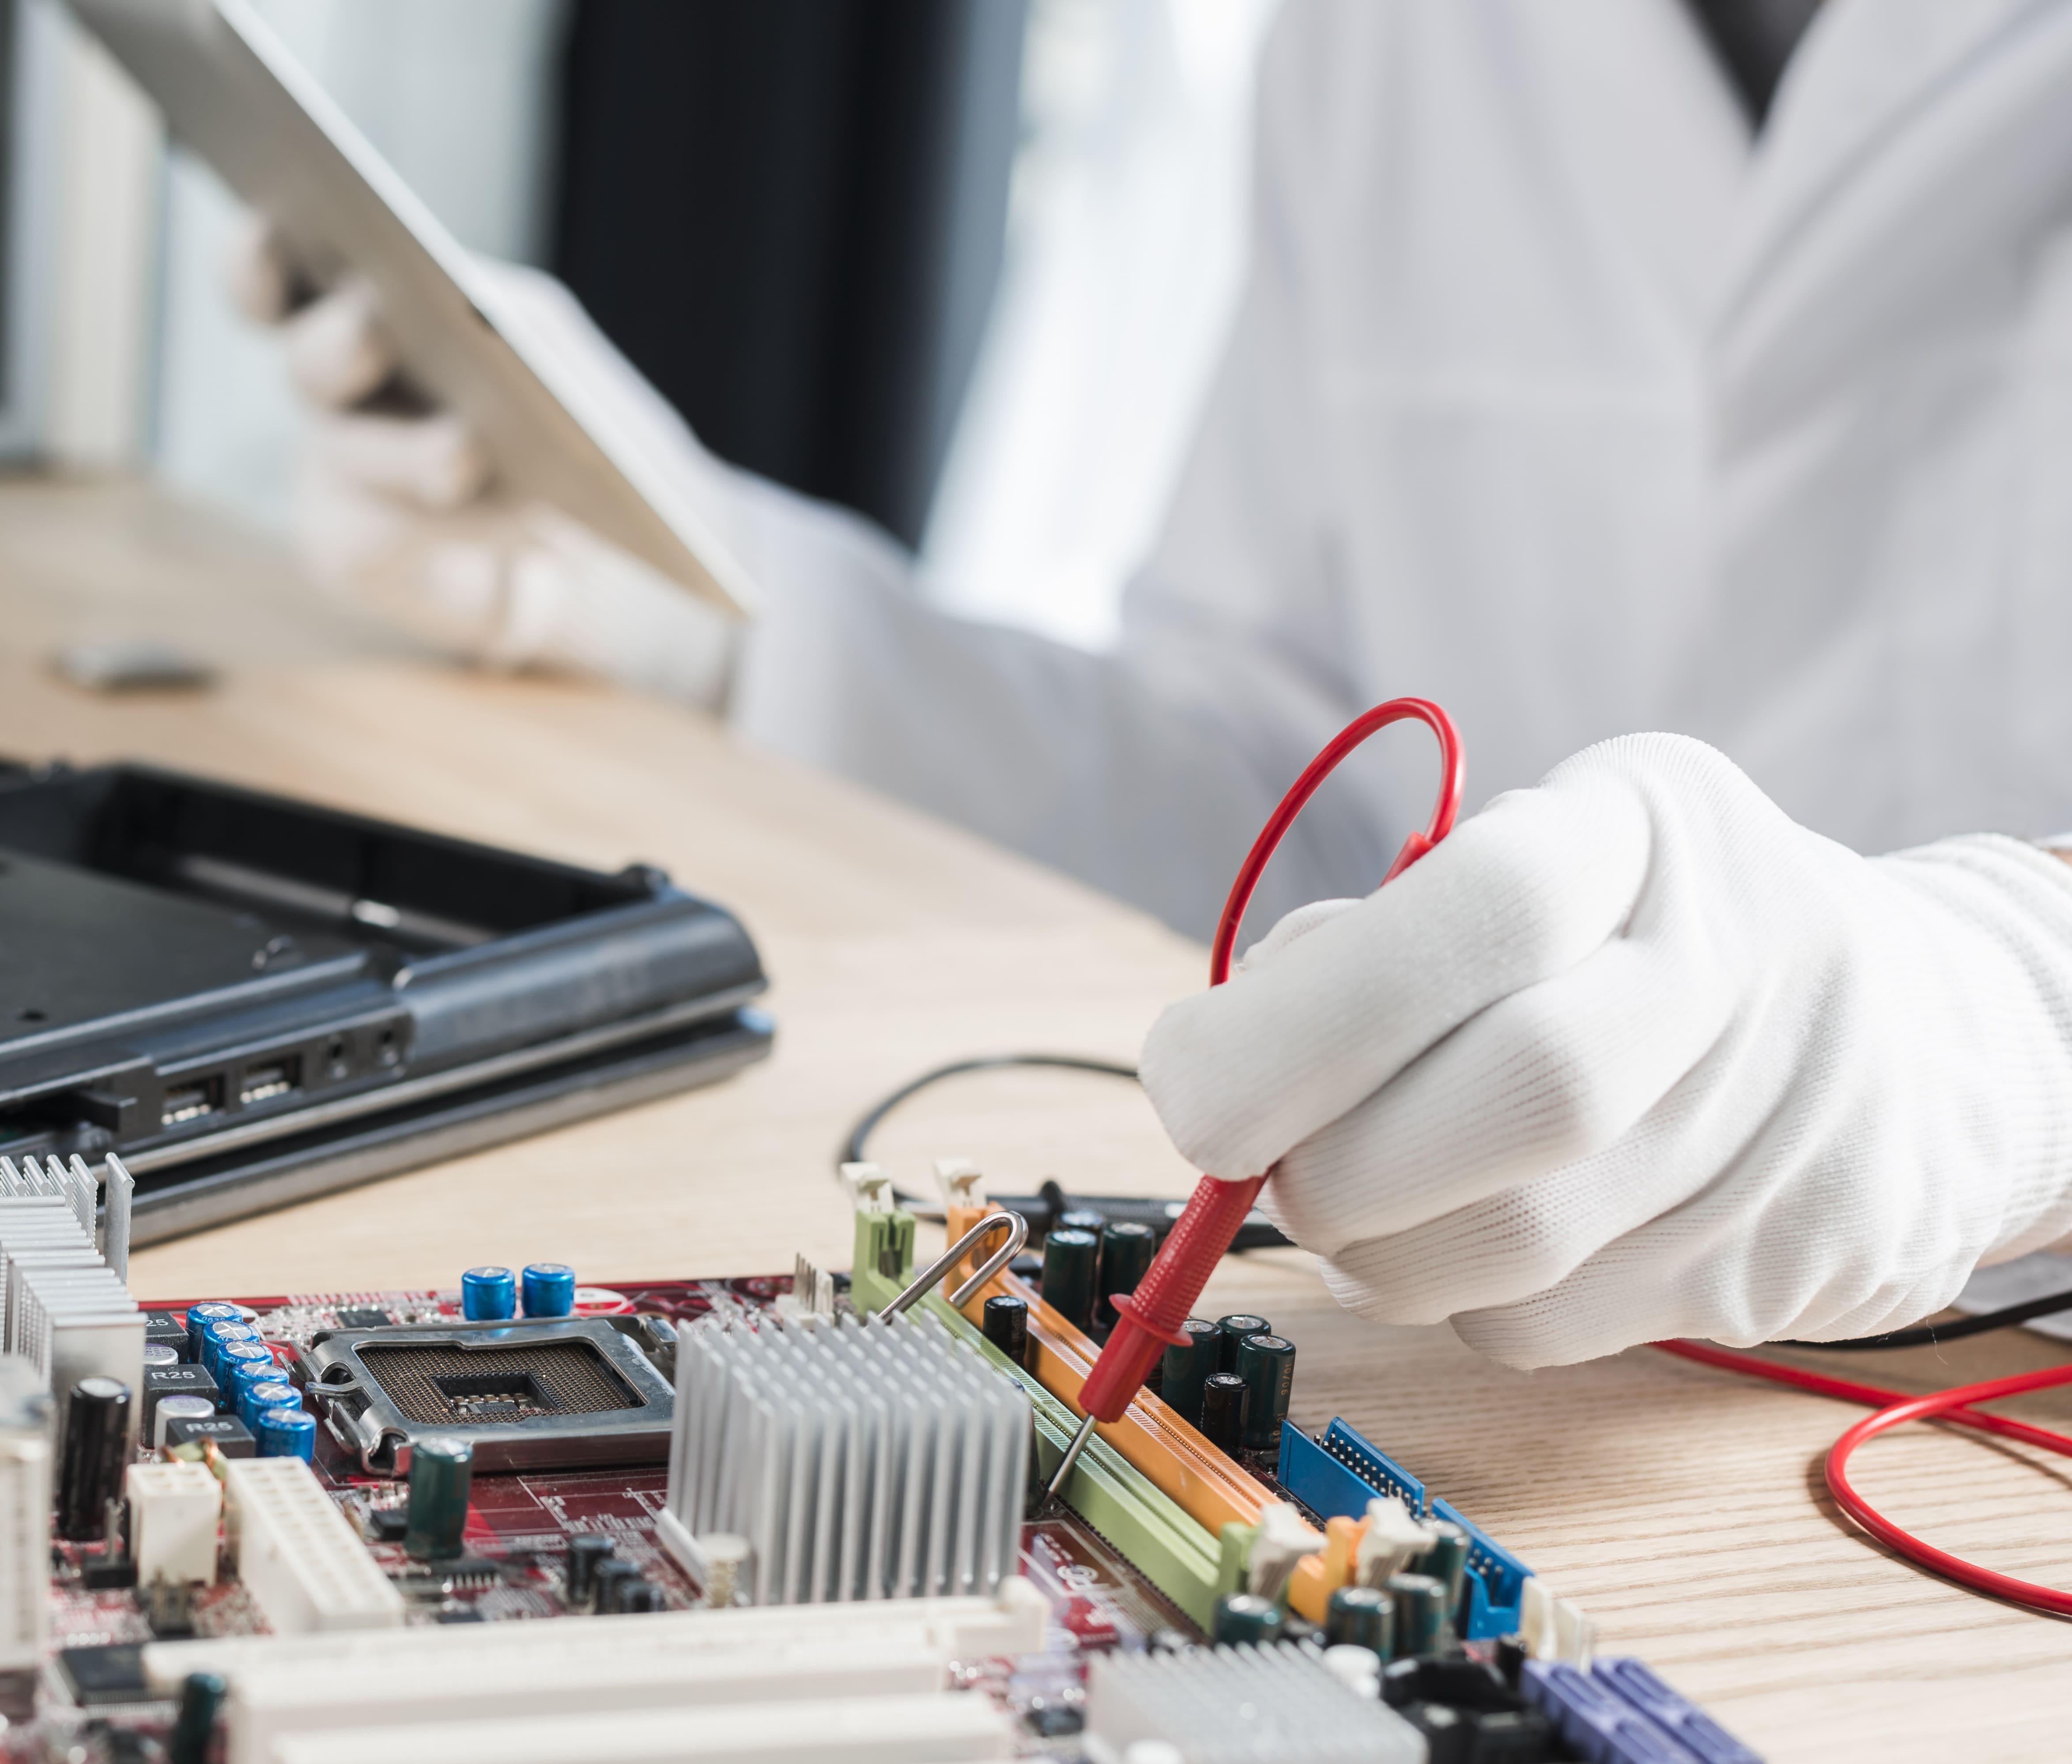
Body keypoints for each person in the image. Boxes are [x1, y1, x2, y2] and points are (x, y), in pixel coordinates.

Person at [244, 0, 2072, 1368]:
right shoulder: (1384, 42)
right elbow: (1302, 804)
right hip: (1511, 1401)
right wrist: (738, 613)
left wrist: (1996, 1046)